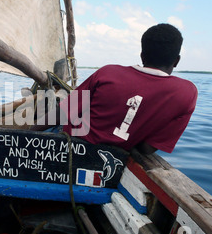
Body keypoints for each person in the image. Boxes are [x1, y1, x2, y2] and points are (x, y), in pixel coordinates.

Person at [31, 23, 198, 155]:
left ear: (142, 55)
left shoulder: (109, 73)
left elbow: (64, 112)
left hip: (71, 146)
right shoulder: (187, 93)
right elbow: (147, 149)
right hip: (116, 158)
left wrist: (30, 133)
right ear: (176, 61)